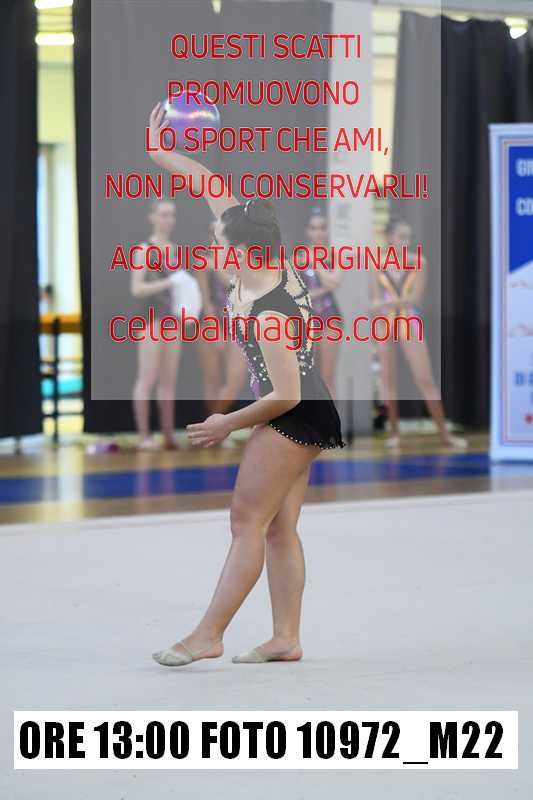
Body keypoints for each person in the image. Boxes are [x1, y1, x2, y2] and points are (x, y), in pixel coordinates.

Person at [147, 102, 344, 666]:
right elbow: (210, 184)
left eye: (218, 242)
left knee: (246, 520)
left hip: (293, 412)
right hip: (303, 407)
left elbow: (286, 395)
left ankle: (208, 635)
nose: (212, 246)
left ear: (242, 251)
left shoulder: (270, 309)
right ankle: (286, 637)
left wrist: (226, 424)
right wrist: (162, 154)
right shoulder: (261, 254)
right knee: (279, 528)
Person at [372, 218, 467, 449]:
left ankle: (445, 435)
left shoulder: (418, 262)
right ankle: (394, 433)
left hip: (409, 322)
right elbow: (374, 300)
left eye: (408, 237)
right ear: (389, 237)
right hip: (385, 324)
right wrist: (380, 309)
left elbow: (414, 298)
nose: (405, 241)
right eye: (401, 236)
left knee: (424, 378)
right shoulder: (376, 263)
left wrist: (385, 304)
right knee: (388, 380)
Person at [130, 198, 182, 450]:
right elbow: (137, 288)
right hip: (151, 321)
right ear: (151, 217)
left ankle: (169, 435)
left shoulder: (175, 250)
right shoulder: (143, 250)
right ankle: (143, 436)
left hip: (172, 322)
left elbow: (180, 288)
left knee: (168, 381)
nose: (168, 220)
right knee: (147, 378)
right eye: (163, 214)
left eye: (171, 215)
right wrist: (168, 283)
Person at [196, 222, 247, 417]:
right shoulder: (202, 261)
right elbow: (205, 300)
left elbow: (237, 287)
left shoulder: (238, 261)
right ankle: (212, 428)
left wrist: (218, 265)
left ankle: (212, 426)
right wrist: (213, 329)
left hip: (236, 323)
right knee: (213, 379)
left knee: (235, 379)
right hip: (210, 324)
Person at [299, 208, 343, 397]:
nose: (318, 232)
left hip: (329, 317)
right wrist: (324, 289)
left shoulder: (335, 255)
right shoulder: (298, 257)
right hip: (305, 318)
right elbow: (296, 293)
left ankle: (331, 417)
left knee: (328, 376)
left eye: (322, 227)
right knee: (306, 375)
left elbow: (334, 282)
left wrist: (315, 261)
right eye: (314, 228)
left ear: (328, 230)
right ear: (307, 231)